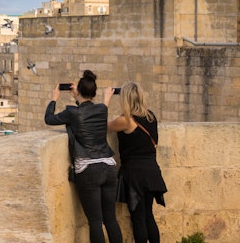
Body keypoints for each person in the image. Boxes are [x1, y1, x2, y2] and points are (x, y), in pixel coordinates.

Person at [45, 70, 123, 243]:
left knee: (95, 221)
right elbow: (90, 111)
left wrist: (54, 98)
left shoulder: (72, 112)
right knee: (110, 219)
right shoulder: (102, 109)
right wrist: (78, 97)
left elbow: (49, 119)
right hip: (109, 166)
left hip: (88, 170)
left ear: (78, 91)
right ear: (94, 93)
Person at [106, 82, 167, 243]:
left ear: (125, 99)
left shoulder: (126, 120)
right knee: (148, 215)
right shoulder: (151, 117)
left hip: (135, 175)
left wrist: (106, 100)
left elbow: (102, 126)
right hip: (152, 172)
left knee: (138, 219)